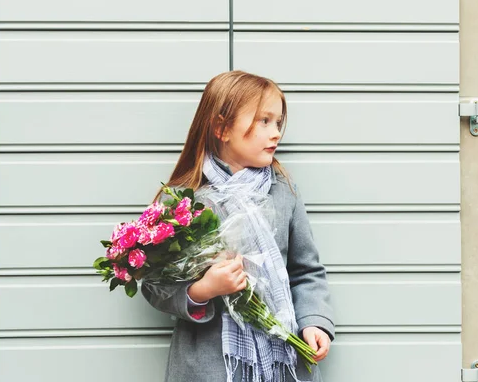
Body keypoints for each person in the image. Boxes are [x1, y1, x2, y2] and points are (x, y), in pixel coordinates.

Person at [142, 70, 334, 382]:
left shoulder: (283, 191)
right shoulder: (183, 201)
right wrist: (204, 289)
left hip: (283, 361)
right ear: (222, 127)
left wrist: (313, 322)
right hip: (210, 367)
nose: (276, 133)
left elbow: (306, 271)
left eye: (278, 123)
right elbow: (154, 285)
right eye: (264, 121)